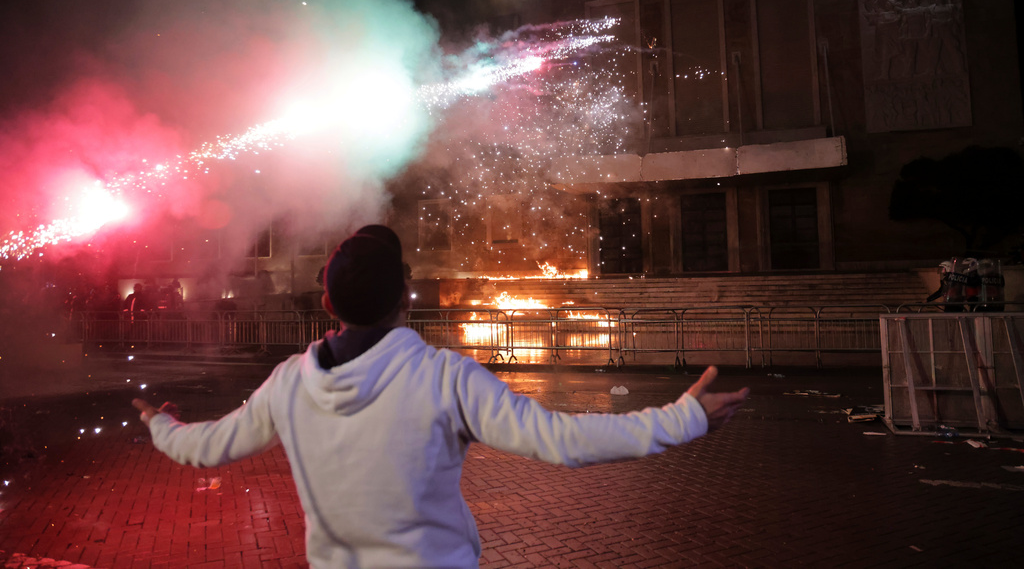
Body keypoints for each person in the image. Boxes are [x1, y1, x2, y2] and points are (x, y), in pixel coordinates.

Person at [132, 225, 749, 569]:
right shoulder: (445, 378)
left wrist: (161, 425)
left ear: (327, 305)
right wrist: (683, 418)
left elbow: (208, 447)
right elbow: (561, 441)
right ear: (407, 292)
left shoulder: (289, 382)